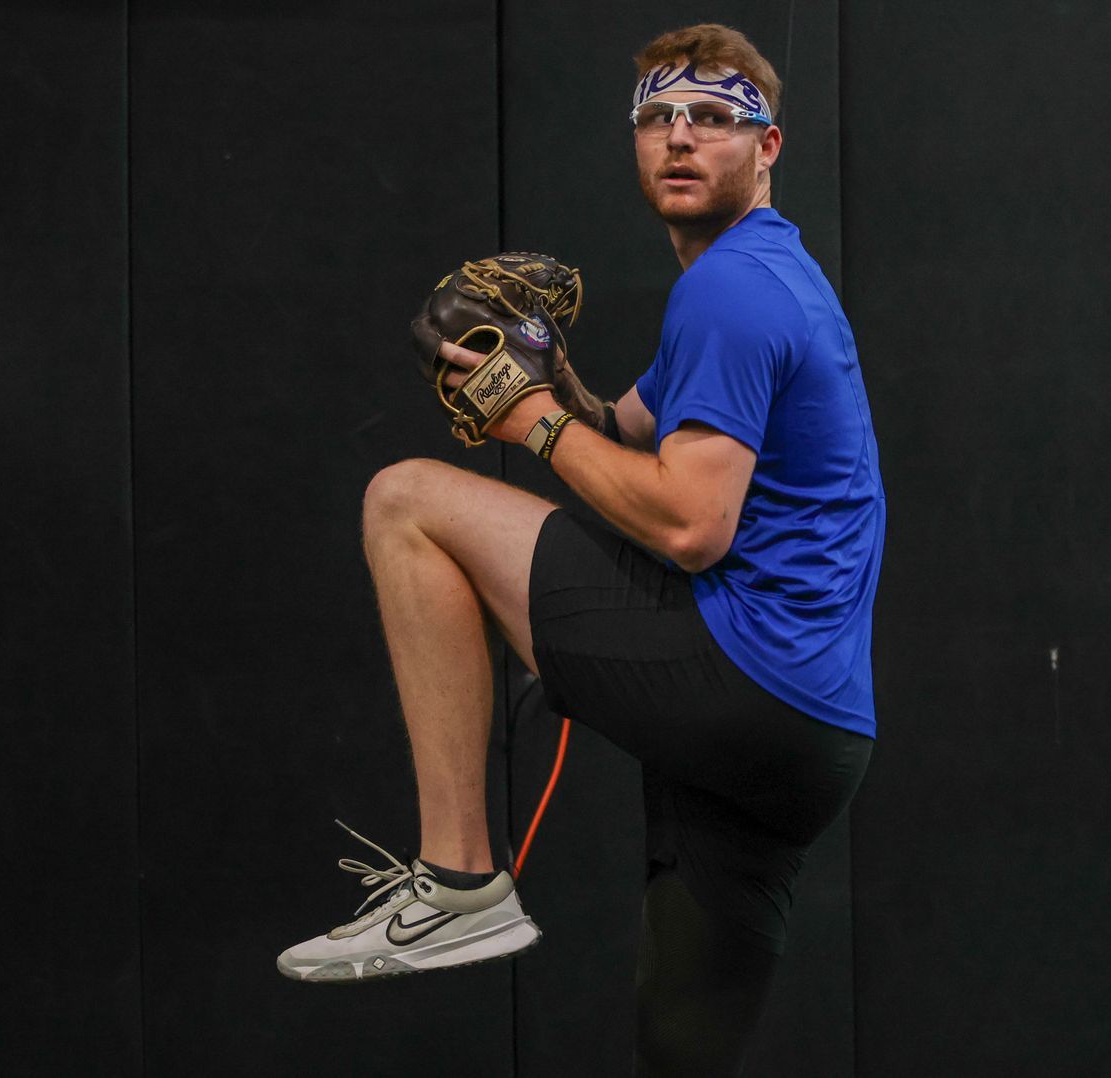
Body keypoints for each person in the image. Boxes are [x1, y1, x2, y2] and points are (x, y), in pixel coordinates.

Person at [278, 22, 884, 1073]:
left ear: (769, 145)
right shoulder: (769, 274)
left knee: (405, 500)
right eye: (657, 118)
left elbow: (692, 527)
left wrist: (530, 422)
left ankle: (461, 880)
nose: (679, 138)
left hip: (736, 676)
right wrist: (542, 370)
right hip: (812, 739)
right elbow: (625, 428)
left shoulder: (730, 290)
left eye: (710, 119)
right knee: (684, 1044)